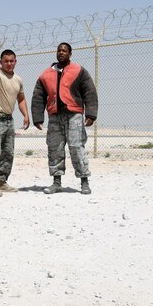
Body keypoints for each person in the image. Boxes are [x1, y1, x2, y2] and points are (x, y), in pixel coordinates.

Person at [31, 42, 98, 195]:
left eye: (64, 51)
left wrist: (91, 114)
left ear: (70, 54)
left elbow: (90, 92)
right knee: (55, 149)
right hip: (54, 116)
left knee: (76, 147)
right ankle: (56, 182)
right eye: (59, 50)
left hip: (74, 114)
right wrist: (38, 117)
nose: (61, 53)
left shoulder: (79, 71)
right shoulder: (46, 74)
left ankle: (84, 182)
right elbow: (38, 96)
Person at [0, 49, 30, 197]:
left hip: (9, 120)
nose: (9, 63)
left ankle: (1, 182)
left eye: (11, 61)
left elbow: (20, 98)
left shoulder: (18, 79)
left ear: (15, 61)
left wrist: (26, 115)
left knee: (8, 153)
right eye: (6, 61)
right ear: (1, 62)